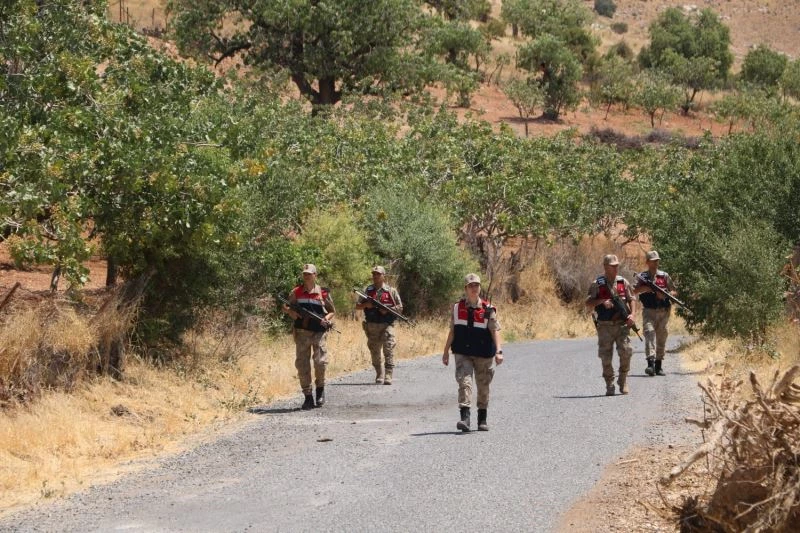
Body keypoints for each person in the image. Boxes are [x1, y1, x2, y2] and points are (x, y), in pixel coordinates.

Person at [442, 273, 503, 432]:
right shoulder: (457, 308)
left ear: (480, 288)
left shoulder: (488, 309)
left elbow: (495, 331)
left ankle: (482, 419)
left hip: (484, 354)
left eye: (476, 285)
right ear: (466, 289)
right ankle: (465, 419)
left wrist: (499, 351)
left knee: (483, 386)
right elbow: (452, 331)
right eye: (471, 286)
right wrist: (445, 351)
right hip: (463, 352)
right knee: (464, 382)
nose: (474, 288)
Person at [283, 264, 336, 410]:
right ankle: (307, 396)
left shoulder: (323, 292)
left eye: (309, 274)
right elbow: (287, 306)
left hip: (319, 332)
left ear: (315, 275)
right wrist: (291, 313)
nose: (306, 276)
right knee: (302, 365)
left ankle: (320, 390)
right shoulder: (296, 291)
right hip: (302, 333)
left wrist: (327, 319)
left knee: (320, 362)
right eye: (305, 274)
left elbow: (332, 311)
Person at [585, 254, 637, 396]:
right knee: (605, 356)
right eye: (613, 266)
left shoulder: (622, 282)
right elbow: (588, 302)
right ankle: (609, 384)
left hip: (621, 324)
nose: (616, 268)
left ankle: (623, 379)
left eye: (617, 265)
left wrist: (632, 314)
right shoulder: (597, 283)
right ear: (605, 267)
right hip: (605, 326)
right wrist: (601, 301)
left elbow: (632, 298)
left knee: (626, 352)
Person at [355, 266, 403, 385]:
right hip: (372, 326)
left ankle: (388, 374)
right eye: (374, 274)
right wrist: (366, 304)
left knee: (389, 348)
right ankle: (379, 373)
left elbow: (400, 308)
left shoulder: (391, 291)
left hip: (387, 325)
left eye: (378, 274)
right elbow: (357, 306)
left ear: (383, 276)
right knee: (374, 351)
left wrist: (388, 309)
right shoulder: (368, 290)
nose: (375, 276)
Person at [633, 250, 677, 376]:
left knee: (662, 336)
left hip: (663, 311)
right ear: (647, 262)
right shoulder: (643, 277)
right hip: (649, 311)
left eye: (657, 261)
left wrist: (664, 294)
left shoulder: (664, 276)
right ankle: (650, 364)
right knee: (649, 333)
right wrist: (647, 288)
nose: (656, 263)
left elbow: (674, 291)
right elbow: (634, 290)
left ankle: (659, 365)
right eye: (653, 261)